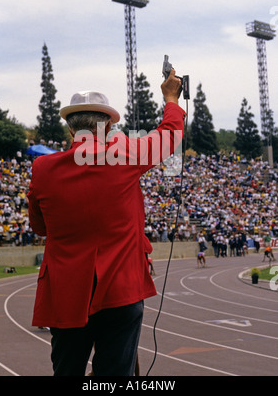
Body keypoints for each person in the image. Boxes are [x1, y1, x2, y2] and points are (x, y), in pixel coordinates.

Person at [28, 68, 185, 376]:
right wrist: (170, 97)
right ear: (110, 126)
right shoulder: (125, 153)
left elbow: (39, 227)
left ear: (71, 131)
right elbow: (169, 136)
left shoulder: (42, 168)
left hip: (66, 292)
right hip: (120, 289)